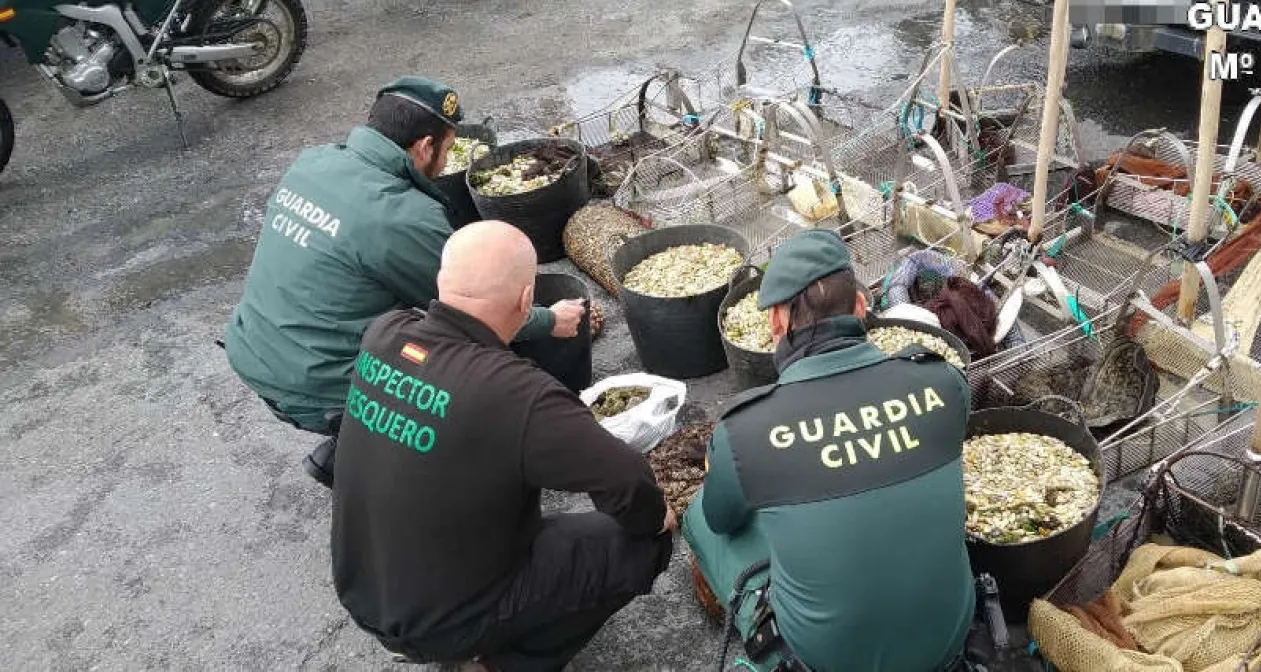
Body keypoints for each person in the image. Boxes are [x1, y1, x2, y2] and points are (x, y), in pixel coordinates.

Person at [332, 221, 674, 671]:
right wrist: (656, 517)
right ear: (527, 300)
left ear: (442, 281)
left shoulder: (385, 332)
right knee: (643, 543)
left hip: (364, 591)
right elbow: (626, 480)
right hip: (440, 623)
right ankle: (502, 663)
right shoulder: (517, 394)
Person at [223, 76, 586, 486]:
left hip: (254, 353)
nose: (445, 163)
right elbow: (477, 310)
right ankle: (380, 450)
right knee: (472, 369)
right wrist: (550, 320)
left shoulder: (314, 162)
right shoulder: (401, 217)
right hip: (317, 384)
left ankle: (357, 440)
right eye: (447, 150)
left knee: (403, 318)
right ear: (425, 147)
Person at [684, 229, 977, 672]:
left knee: (702, 516)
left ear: (776, 322)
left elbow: (721, 520)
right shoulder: (944, 381)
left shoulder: (745, 430)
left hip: (828, 661)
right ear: (860, 307)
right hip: (947, 642)